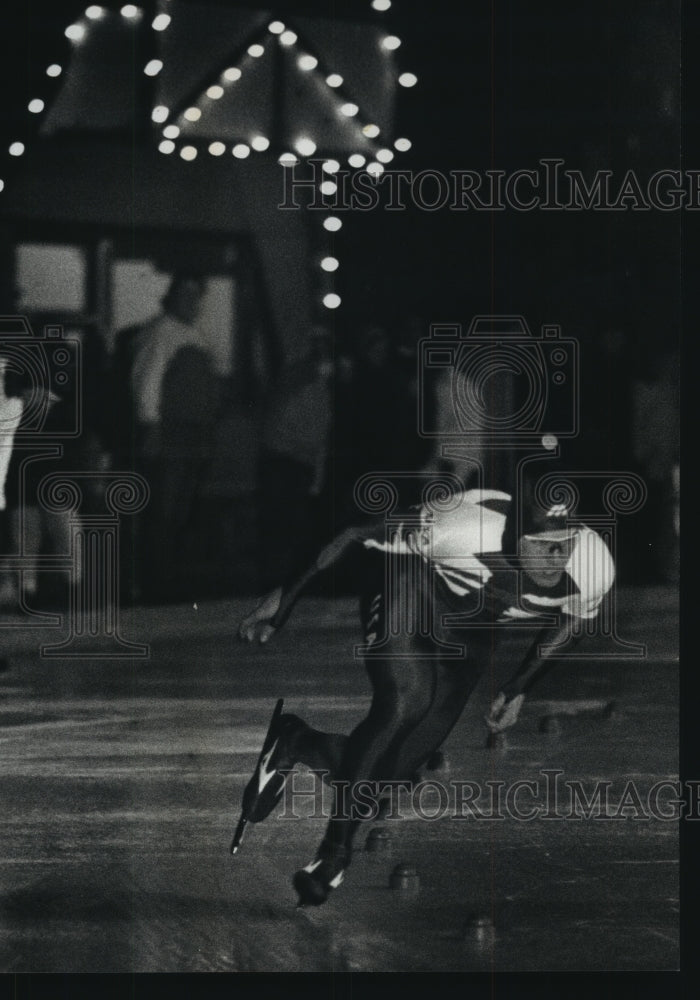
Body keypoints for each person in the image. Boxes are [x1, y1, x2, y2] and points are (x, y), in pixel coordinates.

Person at [233, 482, 615, 906]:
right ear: (514, 534)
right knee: (407, 702)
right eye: (542, 545)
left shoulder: (595, 563)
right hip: (409, 584)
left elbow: (573, 622)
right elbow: (355, 533)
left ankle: (294, 742)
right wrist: (286, 599)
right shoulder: (460, 526)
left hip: (474, 629)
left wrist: (517, 686)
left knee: (387, 772)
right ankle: (334, 854)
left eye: (564, 544)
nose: (556, 559)